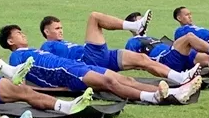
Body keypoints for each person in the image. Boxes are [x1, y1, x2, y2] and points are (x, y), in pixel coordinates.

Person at [0, 25, 200, 105]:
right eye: (18, 33)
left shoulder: (33, 49)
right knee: (108, 82)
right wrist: (59, 89)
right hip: (66, 74)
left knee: (125, 79)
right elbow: (22, 86)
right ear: (10, 42)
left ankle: (174, 92)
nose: (22, 34)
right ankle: (153, 97)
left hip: (73, 65)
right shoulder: (15, 58)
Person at [38, 12, 200, 85]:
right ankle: (136, 26)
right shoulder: (47, 46)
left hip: (102, 57)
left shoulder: (63, 43)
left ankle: (180, 78)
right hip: (89, 60)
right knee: (94, 18)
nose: (61, 30)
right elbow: (49, 66)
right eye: (56, 28)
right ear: (46, 32)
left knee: (143, 59)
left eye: (61, 27)